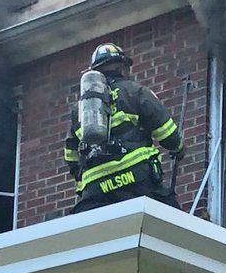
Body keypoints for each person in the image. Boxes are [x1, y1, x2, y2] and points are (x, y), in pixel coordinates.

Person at [64, 43, 184, 213]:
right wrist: (179, 148)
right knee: (170, 218)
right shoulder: (134, 92)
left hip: (95, 192)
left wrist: (85, 181)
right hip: (136, 180)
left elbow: (70, 155)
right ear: (122, 67)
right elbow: (168, 133)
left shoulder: (80, 110)